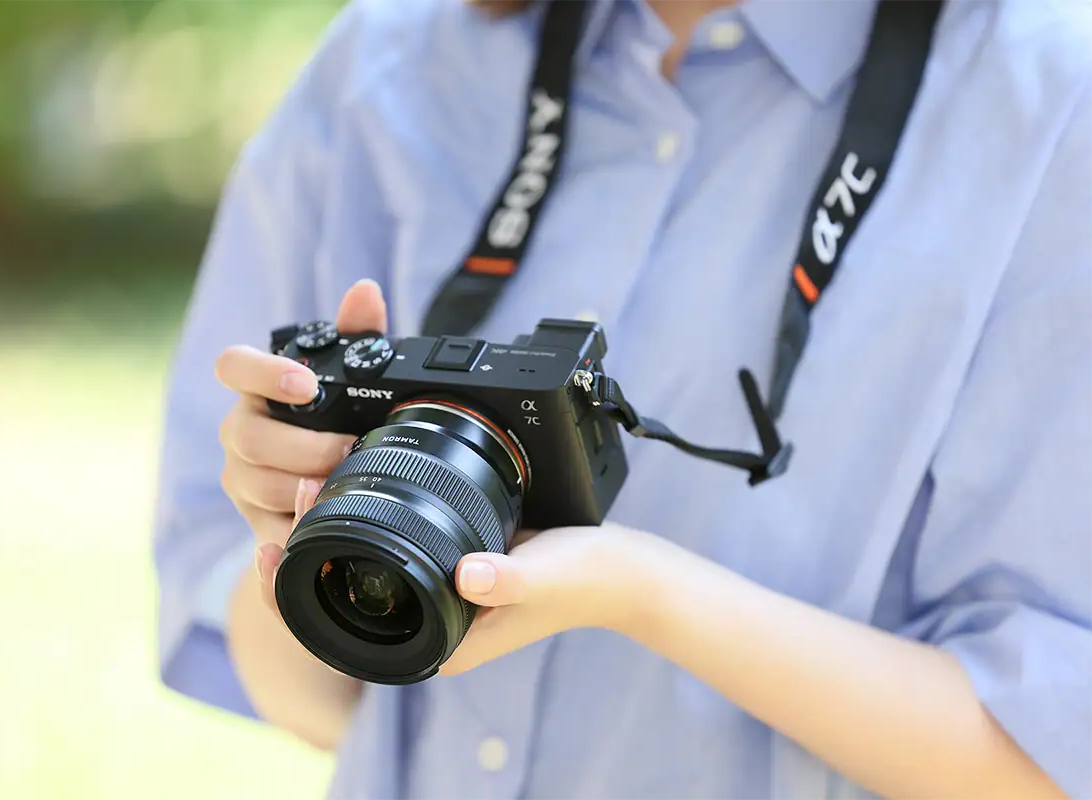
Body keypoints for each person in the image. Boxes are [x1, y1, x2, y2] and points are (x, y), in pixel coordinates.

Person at [151, 0, 1092, 797]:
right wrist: (315, 533)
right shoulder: (392, 62)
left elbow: (1053, 755)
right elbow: (314, 701)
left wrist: (645, 594)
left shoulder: (1051, 101)